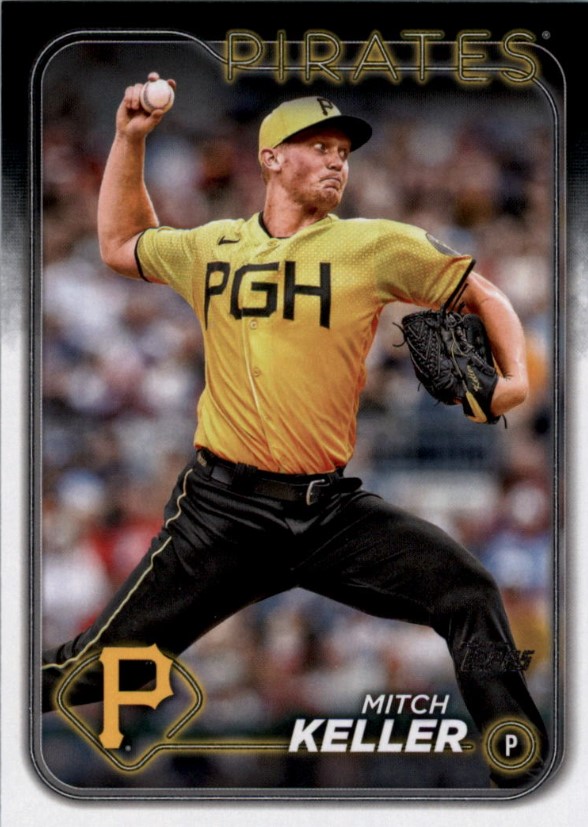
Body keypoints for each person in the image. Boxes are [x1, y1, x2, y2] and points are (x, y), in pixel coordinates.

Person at [42, 73, 549, 789]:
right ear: (272, 158)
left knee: (467, 590)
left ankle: (524, 773)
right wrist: (129, 138)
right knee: (92, 670)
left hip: (328, 511)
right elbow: (122, 242)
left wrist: (515, 379)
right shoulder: (213, 246)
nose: (337, 160)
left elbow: (484, 293)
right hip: (223, 512)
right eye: (320, 147)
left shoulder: (376, 244)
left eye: (343, 151)